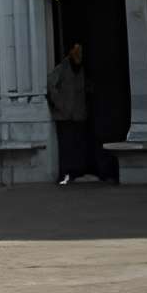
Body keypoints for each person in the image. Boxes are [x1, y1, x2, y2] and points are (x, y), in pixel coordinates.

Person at [48, 40, 98, 185]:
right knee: (66, 146)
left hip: (78, 114)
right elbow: (51, 85)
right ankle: (65, 173)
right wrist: (60, 103)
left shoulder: (82, 69)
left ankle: (77, 172)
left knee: (78, 145)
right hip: (64, 115)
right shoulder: (63, 67)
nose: (78, 54)